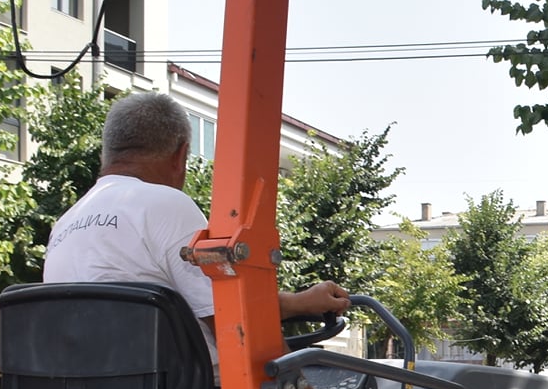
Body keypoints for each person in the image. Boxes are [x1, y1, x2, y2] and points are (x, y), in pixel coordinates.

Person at [44, 92, 349, 349]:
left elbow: (205, 300)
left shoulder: (66, 223)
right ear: (181, 155)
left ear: (107, 153)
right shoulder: (165, 204)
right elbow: (232, 321)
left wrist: (296, 303)